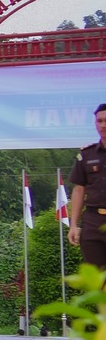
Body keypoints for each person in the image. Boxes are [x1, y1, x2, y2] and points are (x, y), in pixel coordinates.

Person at [72, 104, 106, 267]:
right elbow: (79, 190)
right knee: (97, 281)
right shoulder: (87, 155)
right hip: (92, 223)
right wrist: (73, 225)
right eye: (99, 121)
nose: (103, 125)